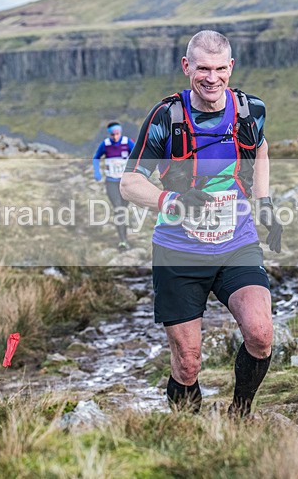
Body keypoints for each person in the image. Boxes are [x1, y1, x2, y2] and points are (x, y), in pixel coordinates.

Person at [120, 30, 283, 417]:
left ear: (231, 67)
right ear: (186, 67)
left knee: (260, 335)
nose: (212, 78)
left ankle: (240, 413)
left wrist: (265, 202)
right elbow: (129, 183)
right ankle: (188, 431)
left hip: (236, 243)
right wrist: (171, 200)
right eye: (203, 68)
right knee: (188, 362)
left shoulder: (249, 110)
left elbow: (259, 146)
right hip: (179, 250)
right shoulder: (166, 118)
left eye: (219, 68)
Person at [93, 122, 135, 251]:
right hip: (111, 182)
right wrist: (97, 171)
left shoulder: (127, 142)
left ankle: (124, 231)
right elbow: (96, 158)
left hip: (125, 183)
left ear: (120, 132)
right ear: (109, 133)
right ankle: (123, 240)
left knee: (123, 208)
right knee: (118, 209)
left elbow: (138, 156)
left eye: (117, 134)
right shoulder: (105, 144)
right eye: (112, 134)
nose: (115, 137)